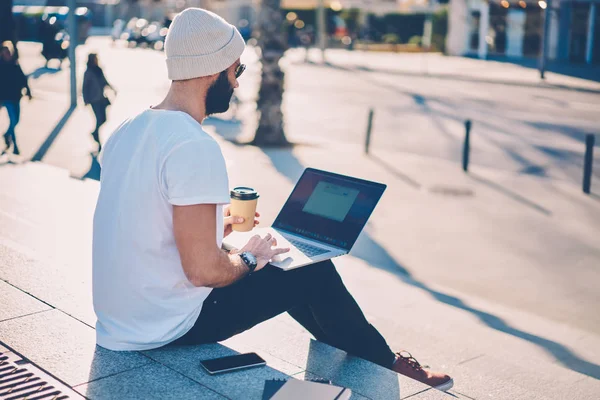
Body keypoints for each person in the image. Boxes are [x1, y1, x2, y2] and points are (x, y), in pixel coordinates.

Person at [91, 8, 453, 391]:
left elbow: (140, 217)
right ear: (213, 70)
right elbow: (203, 272)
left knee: (289, 263)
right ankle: (382, 363)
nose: (236, 84)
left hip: (121, 321)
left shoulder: (128, 129)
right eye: (236, 71)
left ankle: (361, 351)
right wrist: (249, 258)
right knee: (306, 268)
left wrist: (216, 228)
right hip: (162, 327)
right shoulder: (192, 145)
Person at [0, 41, 32, 156]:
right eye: (4, 53)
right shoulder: (1, 66)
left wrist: (28, 91)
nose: (7, 55)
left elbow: (23, 79)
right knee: (13, 120)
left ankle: (6, 134)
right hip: (6, 97)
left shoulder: (15, 65)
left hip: (16, 96)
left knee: (17, 120)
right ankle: (15, 147)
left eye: (8, 52)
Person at [82, 53, 116, 152]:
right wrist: (86, 100)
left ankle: (95, 133)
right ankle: (97, 139)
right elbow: (85, 87)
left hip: (101, 98)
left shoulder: (99, 70)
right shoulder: (88, 72)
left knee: (104, 119)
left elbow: (104, 81)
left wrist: (112, 88)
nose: (97, 60)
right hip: (93, 100)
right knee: (99, 119)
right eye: (95, 59)